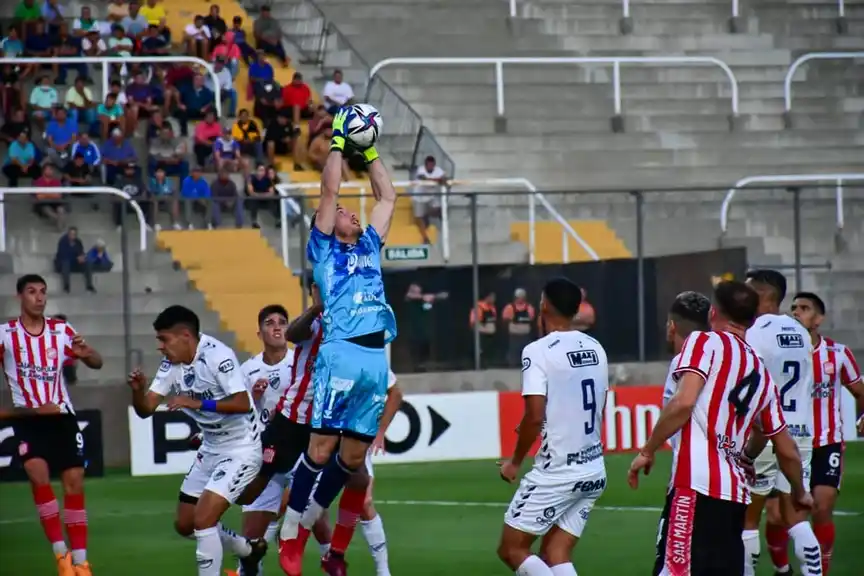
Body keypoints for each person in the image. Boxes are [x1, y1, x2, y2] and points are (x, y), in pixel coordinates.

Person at [278, 107, 398, 575]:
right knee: (322, 449)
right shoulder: (324, 250)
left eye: (351, 212)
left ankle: (306, 522)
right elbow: (330, 190)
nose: (349, 211)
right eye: (342, 213)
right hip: (342, 352)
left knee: (350, 460)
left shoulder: (369, 245)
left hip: (373, 357)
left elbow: (387, 197)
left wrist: (368, 152)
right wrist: (336, 143)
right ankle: (291, 531)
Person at [628, 280, 810, 576]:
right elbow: (782, 444)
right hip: (735, 497)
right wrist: (800, 490)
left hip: (695, 487)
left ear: (713, 313)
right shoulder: (760, 370)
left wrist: (647, 450)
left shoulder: (703, 343)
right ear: (752, 321)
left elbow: (684, 402)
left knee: (675, 571)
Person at [126, 305, 268, 576]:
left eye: (164, 339)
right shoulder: (171, 364)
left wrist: (197, 402)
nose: (160, 347)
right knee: (185, 524)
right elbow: (145, 410)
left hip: (241, 447)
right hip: (212, 447)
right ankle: (248, 550)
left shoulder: (218, 356)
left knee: (203, 520)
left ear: (185, 336)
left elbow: (241, 402)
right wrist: (138, 391)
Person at [496, 277, 607, 576]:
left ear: (544, 305)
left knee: (511, 549)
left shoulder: (537, 351)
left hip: (558, 472)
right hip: (593, 468)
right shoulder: (596, 347)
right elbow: (598, 404)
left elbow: (534, 415)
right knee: (555, 552)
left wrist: (514, 462)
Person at [1, 274, 103, 576]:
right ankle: (61, 555)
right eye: (32, 292)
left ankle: (81, 562)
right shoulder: (6, 334)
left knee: (74, 482)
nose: (39, 297)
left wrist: (88, 356)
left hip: (62, 417)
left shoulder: (61, 330)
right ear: (20, 297)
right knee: (38, 475)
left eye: (43, 292)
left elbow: (97, 361)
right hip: (29, 420)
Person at [742, 269, 822, 576]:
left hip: (764, 433)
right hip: (799, 434)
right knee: (795, 516)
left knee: (749, 517)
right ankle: (813, 571)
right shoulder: (801, 332)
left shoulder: (753, 332)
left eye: (748, 292)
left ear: (764, 295)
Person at [790, 292, 863, 574]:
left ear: (819, 319)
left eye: (804, 308)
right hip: (792, 445)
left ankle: (821, 569)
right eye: (793, 308)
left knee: (822, 507)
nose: (797, 312)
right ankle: (783, 566)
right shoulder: (780, 352)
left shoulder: (838, 354)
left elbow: (859, 390)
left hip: (827, 443)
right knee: (787, 515)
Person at [54, 227, 96, 293]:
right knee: (66, 263)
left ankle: (89, 285)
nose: (72, 236)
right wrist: (76, 258)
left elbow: (81, 253)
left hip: (74, 263)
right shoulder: (63, 241)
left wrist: (82, 257)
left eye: (74, 234)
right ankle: (66, 286)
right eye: (71, 234)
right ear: (68, 234)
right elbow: (63, 255)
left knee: (88, 263)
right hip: (63, 264)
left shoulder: (78, 242)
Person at [501, 288, 536, 368]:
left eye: (522, 296)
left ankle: (526, 365)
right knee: (514, 351)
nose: (520, 298)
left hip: (525, 334)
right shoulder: (510, 307)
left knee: (526, 351)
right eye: (519, 296)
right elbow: (505, 319)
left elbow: (532, 318)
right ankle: (513, 365)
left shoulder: (529, 307)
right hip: (514, 334)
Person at [470, 291, 498, 367]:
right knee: (481, 352)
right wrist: (485, 330)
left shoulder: (492, 307)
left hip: (490, 336)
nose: (494, 299)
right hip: (481, 335)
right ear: (487, 297)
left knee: (489, 352)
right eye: (492, 297)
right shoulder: (479, 307)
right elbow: (474, 322)